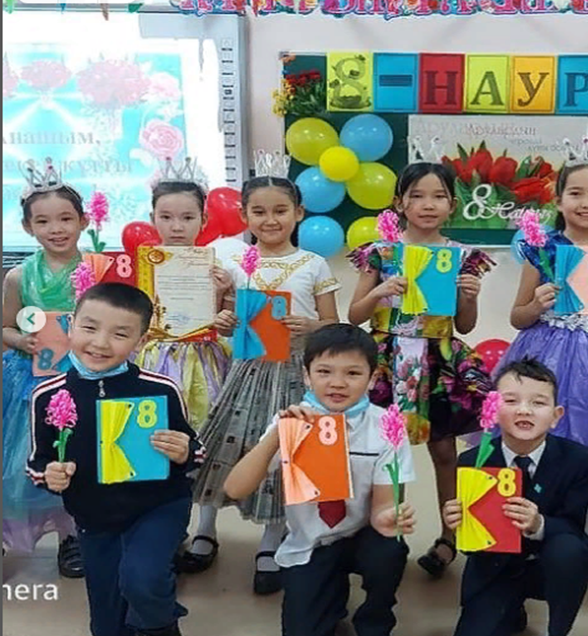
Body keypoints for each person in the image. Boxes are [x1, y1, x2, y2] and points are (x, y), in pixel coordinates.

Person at [189, 153, 341, 593]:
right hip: (246, 371)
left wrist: (311, 326)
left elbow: (333, 324)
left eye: (280, 210)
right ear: (244, 216)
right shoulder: (236, 263)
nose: (270, 220)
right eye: (259, 211)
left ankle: (272, 539)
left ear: (299, 213)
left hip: (294, 372)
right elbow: (224, 319)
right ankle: (205, 528)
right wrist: (222, 319)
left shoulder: (313, 264)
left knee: (282, 454)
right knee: (223, 443)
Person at [348, 148, 494, 578]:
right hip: (386, 360)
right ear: (399, 203)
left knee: (445, 451)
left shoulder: (462, 256)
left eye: (438, 196)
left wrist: (470, 296)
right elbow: (354, 315)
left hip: (438, 360)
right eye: (416, 195)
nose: (427, 205)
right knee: (383, 450)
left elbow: (464, 325)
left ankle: (449, 538)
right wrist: (379, 292)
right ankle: (385, 534)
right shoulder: (380, 252)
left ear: (452, 204)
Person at [28, 283, 203, 636]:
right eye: (89, 328)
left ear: (141, 341)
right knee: (107, 620)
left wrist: (184, 451)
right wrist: (50, 475)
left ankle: (161, 626)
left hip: (159, 506)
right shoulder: (48, 395)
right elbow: (37, 463)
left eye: (120, 334)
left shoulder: (161, 389)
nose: (101, 343)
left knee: (143, 580)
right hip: (93, 517)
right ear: (70, 325)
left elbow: (196, 450)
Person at [223, 324, 416, 636]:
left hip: (362, 532)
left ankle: (375, 617)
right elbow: (235, 488)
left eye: (353, 373)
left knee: (388, 551)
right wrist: (277, 436)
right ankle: (331, 596)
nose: (337, 383)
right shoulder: (291, 421)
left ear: (373, 378)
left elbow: (384, 506)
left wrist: (387, 517)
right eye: (324, 371)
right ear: (306, 375)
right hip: (310, 541)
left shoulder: (386, 425)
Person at [501, 140, 588, 520]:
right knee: (539, 434)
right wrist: (537, 305)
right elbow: (518, 316)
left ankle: (579, 531)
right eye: (576, 193)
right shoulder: (542, 249)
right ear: (559, 200)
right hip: (547, 352)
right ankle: (530, 522)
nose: (587, 203)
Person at [444, 357, 588, 636]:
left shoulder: (578, 460)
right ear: (492, 410)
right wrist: (461, 524)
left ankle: (559, 628)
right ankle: (511, 610)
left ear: (556, 415)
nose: (524, 410)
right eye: (511, 401)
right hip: (495, 565)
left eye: (538, 403)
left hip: (550, 560)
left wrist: (539, 524)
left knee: (569, 552)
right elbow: (471, 550)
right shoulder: (473, 462)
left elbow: (574, 527)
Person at [134, 161, 234, 576]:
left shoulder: (216, 269)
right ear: (153, 217)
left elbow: (230, 320)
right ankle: (167, 529)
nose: (177, 226)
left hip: (205, 361)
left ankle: (207, 528)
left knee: (206, 441)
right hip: (156, 361)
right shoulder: (144, 265)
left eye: (188, 217)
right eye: (167, 217)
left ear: (204, 220)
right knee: (157, 442)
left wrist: (226, 302)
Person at [2, 158, 85, 576]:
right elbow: (5, 328)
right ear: (27, 227)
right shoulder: (19, 276)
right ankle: (11, 534)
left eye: (66, 218)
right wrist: (22, 340)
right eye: (43, 221)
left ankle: (74, 535)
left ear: (84, 221)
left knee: (77, 454)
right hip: (32, 381)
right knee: (28, 458)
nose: (56, 229)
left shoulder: (96, 269)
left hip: (83, 376)